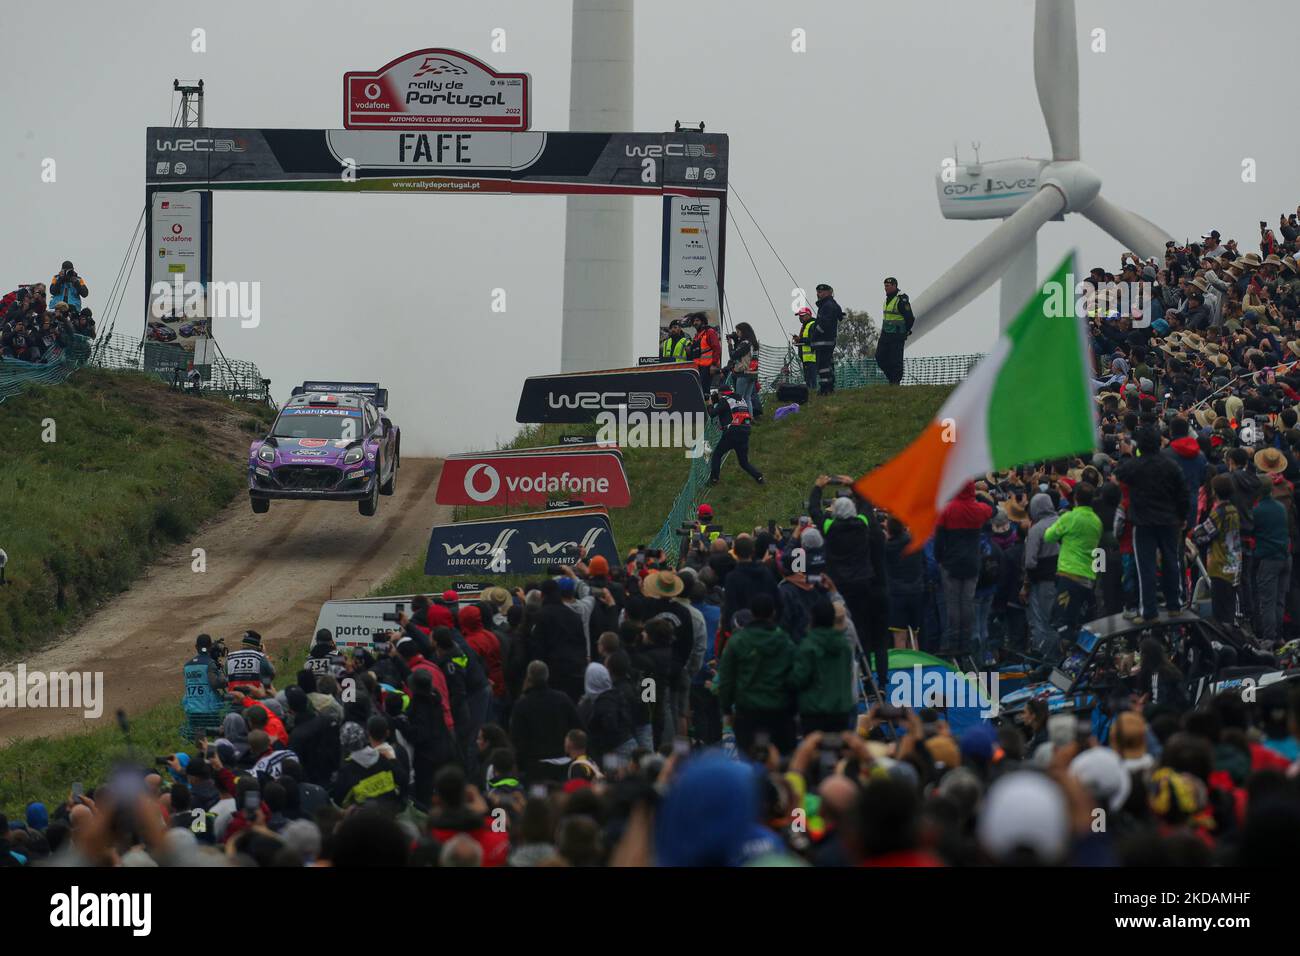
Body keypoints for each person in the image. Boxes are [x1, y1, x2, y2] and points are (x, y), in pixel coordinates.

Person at [1115, 427, 1190, 622]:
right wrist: (1182, 516)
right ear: (1160, 443)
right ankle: (1174, 604)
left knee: (1145, 567)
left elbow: (1120, 474)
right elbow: (1183, 493)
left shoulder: (1135, 465)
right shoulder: (1171, 465)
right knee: (1171, 561)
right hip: (1169, 520)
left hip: (1143, 523)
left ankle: (1149, 611)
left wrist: (1126, 454)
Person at [716, 592, 797, 754]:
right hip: (779, 711)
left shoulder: (737, 641)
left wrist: (726, 708)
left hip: (748, 711)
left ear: (752, 614)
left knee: (749, 758)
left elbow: (726, 679)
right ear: (773, 613)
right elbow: (795, 677)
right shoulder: (785, 641)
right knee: (781, 758)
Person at [1042, 483, 1103, 661]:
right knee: (1076, 622)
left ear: (1076, 499)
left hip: (1069, 576)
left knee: (1060, 624)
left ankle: (1090, 651)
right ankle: (1077, 657)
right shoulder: (1096, 521)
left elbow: (1048, 536)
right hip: (1087, 579)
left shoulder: (1069, 518)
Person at [935, 482, 994, 658]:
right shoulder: (979, 509)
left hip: (951, 563)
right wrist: (979, 496)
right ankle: (965, 643)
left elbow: (939, 540)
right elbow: (993, 509)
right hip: (972, 563)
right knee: (967, 603)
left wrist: (939, 559)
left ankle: (953, 643)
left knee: (953, 604)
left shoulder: (947, 510)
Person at [509, 661, 584, 784]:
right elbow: (579, 729)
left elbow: (517, 740)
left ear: (529, 677)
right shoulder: (562, 699)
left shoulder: (522, 705)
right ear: (547, 676)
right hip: (564, 764)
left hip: (536, 769)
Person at [792, 599, 857, 733]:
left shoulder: (808, 646)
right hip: (841, 709)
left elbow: (799, 678)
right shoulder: (844, 646)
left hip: (814, 711)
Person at [707, 386, 764, 485]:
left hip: (732, 433)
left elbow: (712, 413)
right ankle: (759, 477)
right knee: (743, 462)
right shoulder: (741, 399)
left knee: (717, 455)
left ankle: (714, 479)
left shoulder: (725, 400)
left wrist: (710, 403)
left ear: (721, 393)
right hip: (745, 432)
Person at [875, 277, 915, 385]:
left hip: (897, 335)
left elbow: (910, 318)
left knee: (895, 360)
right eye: (885, 286)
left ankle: (895, 382)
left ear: (894, 286)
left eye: (888, 286)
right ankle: (892, 378)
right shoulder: (888, 299)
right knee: (879, 357)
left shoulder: (901, 299)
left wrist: (905, 331)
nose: (885, 288)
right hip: (886, 334)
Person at [182, 634, 227, 719]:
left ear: (196, 647)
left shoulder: (187, 666)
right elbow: (216, 684)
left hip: (191, 709)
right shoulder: (209, 663)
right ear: (210, 647)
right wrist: (221, 673)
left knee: (193, 732)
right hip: (208, 710)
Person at [812, 283, 843, 395]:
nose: (818, 294)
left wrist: (815, 333)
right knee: (827, 364)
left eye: (821, 292)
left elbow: (824, 323)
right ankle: (828, 387)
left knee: (823, 366)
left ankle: (825, 389)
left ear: (829, 292)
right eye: (817, 292)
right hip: (826, 341)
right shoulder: (829, 304)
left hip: (824, 341)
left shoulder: (827, 305)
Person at [726, 322, 762, 415]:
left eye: (738, 331)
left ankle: (742, 419)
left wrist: (730, 344)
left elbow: (733, 355)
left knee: (739, 398)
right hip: (753, 373)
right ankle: (750, 418)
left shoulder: (745, 343)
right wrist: (736, 341)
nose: (737, 334)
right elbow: (742, 352)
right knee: (747, 398)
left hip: (744, 373)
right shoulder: (753, 343)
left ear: (743, 332)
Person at [687, 311, 722, 393]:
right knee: (699, 390)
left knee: (704, 390)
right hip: (698, 368)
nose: (695, 323)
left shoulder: (709, 332)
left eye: (697, 320)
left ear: (703, 321)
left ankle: (707, 405)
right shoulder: (697, 335)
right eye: (694, 321)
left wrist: (713, 365)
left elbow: (717, 348)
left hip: (708, 367)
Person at [793, 305, 819, 395]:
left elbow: (812, 340)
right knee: (808, 380)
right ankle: (810, 395)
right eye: (799, 316)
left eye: (802, 315)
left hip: (812, 358)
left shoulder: (812, 324)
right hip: (806, 358)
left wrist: (800, 340)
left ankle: (814, 396)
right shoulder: (805, 326)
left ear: (809, 315)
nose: (800, 318)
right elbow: (804, 341)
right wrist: (798, 341)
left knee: (812, 381)